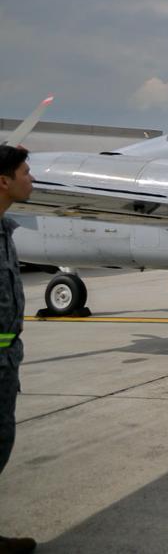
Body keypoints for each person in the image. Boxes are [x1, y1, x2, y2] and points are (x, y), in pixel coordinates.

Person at [1, 146, 38, 554]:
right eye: (25, 172)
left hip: (6, 360)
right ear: (4, 180)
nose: (31, 179)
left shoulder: (5, 231)